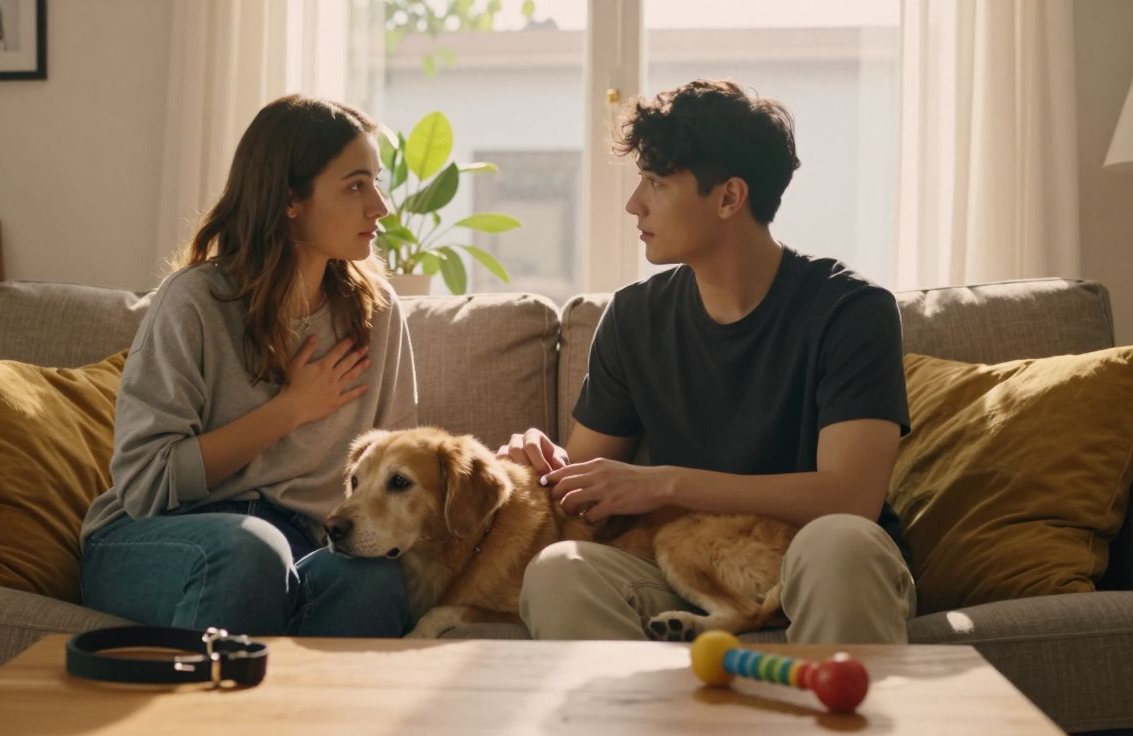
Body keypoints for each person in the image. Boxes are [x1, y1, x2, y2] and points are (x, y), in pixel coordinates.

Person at [502, 80, 916, 645]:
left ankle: (830, 703)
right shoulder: (633, 317)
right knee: (559, 572)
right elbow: (587, 492)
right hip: (689, 572)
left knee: (840, 544)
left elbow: (850, 498)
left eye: (656, 182)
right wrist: (538, 465)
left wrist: (666, 484)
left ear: (728, 198)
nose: (634, 204)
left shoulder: (851, 310)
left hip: (819, 564)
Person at [80, 95, 418, 638]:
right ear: (290, 200)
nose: (379, 206)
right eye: (356, 186)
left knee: (372, 581)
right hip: (163, 537)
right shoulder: (195, 302)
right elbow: (146, 483)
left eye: (376, 183)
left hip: (302, 545)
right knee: (251, 549)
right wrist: (290, 410)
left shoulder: (377, 315)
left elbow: (396, 472)